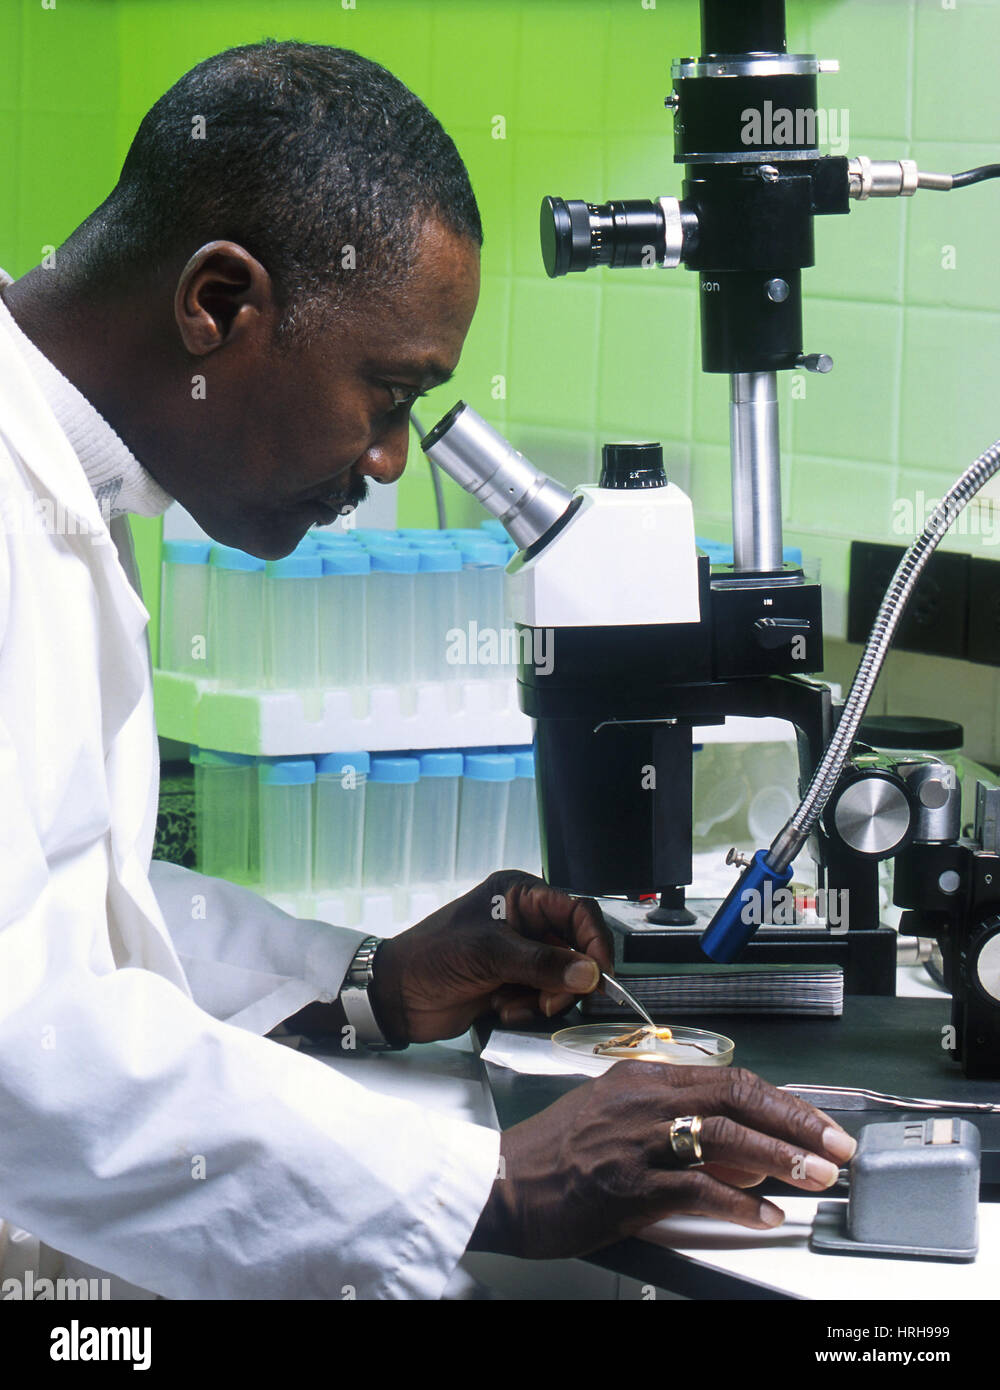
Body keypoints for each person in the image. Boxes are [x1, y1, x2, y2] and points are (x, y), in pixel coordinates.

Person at [0, 40, 854, 1301]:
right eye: (388, 391)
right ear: (218, 305)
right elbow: (24, 1050)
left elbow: (69, 906)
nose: (392, 459)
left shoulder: (75, 476)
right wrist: (488, 1185)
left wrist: (369, 981)